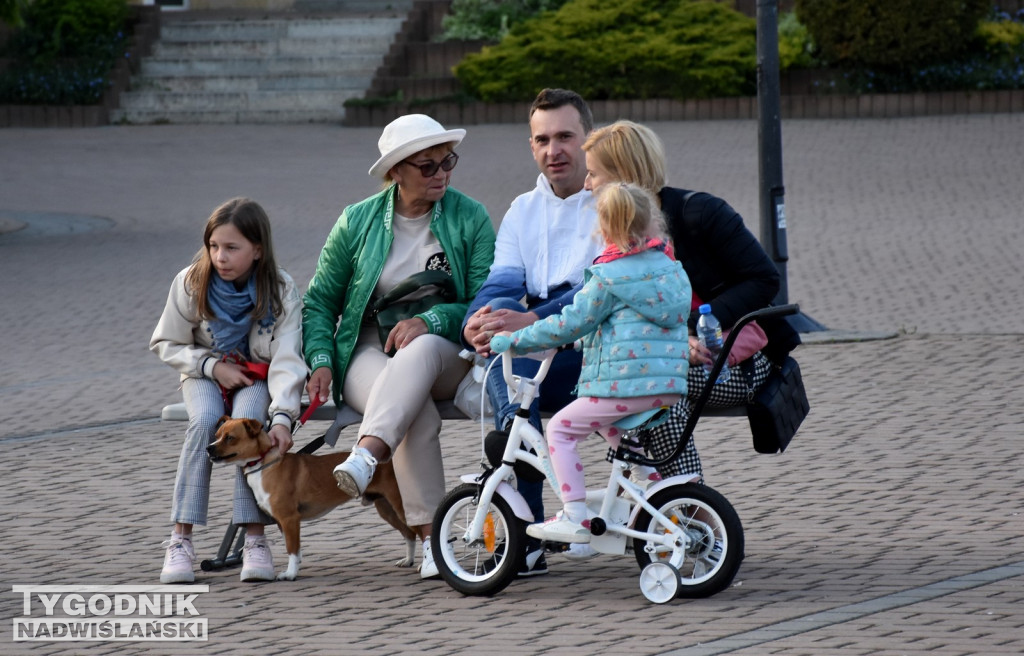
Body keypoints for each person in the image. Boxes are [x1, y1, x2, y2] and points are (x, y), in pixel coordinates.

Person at [303, 114, 495, 580]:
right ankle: (435, 544)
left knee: (420, 349)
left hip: (448, 346)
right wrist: (323, 359)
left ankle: (367, 454)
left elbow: (486, 300)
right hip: (367, 348)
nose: (441, 174)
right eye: (426, 166)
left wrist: (430, 319)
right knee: (416, 415)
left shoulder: (471, 216)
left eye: (447, 161)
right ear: (396, 172)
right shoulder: (357, 220)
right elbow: (319, 303)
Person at [581, 120, 801, 481]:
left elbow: (764, 279)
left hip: (741, 362)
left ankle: (683, 507)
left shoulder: (702, 213)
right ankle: (664, 504)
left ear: (623, 175)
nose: (586, 184)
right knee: (646, 380)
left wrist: (699, 323)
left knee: (656, 380)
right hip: (670, 358)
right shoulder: (615, 234)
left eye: (593, 174)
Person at [494, 182, 691, 543]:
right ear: (650, 221)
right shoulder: (668, 266)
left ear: (605, 229)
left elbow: (569, 322)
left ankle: (574, 515)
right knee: (608, 427)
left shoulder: (608, 277)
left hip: (625, 383)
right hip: (666, 383)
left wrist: (514, 341)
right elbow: (632, 325)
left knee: (561, 429)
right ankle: (655, 485)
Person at [461, 88, 603, 574]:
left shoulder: (613, 202)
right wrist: (474, 323)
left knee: (511, 366)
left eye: (565, 136)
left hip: (597, 350)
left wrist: (535, 322)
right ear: (531, 145)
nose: (553, 150)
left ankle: (524, 530)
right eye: (542, 139)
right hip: (536, 353)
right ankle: (528, 525)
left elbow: (599, 292)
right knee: (499, 312)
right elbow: (501, 283)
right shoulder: (523, 208)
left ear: (589, 140)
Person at [151, 197, 306, 583]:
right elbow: (166, 342)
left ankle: (254, 538)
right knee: (204, 420)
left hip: (256, 376)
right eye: (214, 246)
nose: (220, 256)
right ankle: (180, 539)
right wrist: (212, 366)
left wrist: (284, 417)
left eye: (232, 247)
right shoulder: (190, 281)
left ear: (258, 250)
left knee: (251, 425)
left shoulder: (281, 289)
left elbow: (288, 359)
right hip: (204, 371)